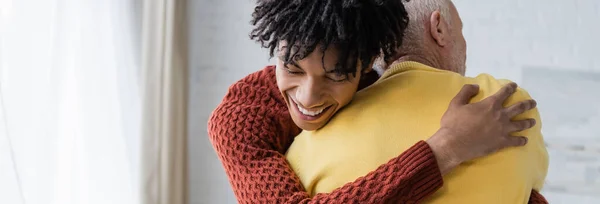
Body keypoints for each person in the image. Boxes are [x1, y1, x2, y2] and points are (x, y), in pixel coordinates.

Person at [207, 0, 541, 203]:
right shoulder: (238, 121)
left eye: (335, 76)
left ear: (369, 64)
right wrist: (447, 148)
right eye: (291, 68)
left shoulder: (377, 82)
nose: (308, 97)